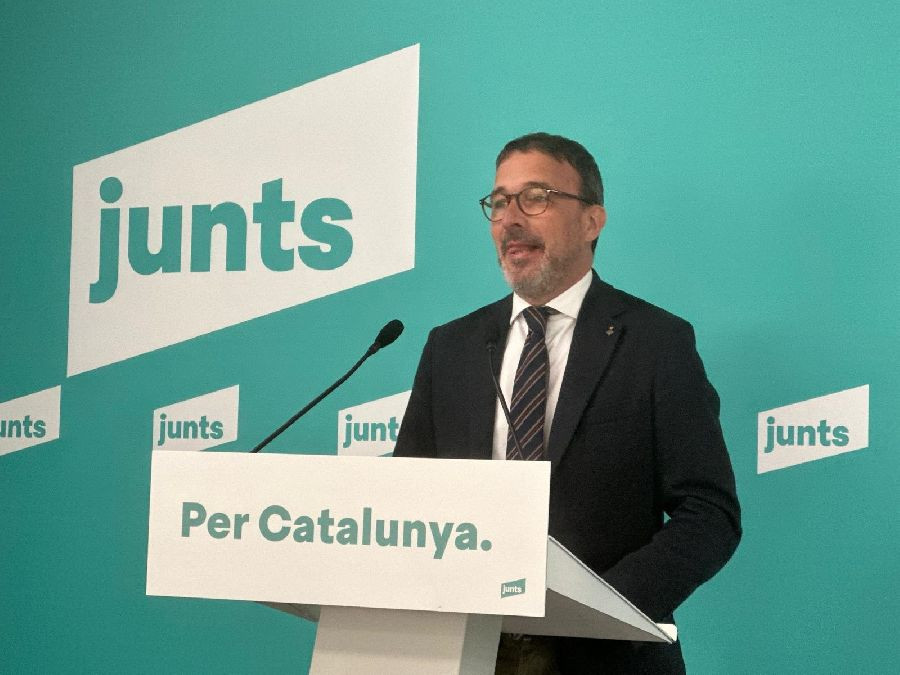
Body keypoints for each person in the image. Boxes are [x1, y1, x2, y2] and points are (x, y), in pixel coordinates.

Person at [394, 132, 741, 673]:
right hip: (464, 648)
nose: (510, 219)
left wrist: (604, 609)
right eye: (499, 202)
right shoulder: (452, 346)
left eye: (536, 198)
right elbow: (407, 498)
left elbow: (709, 513)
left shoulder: (655, 342)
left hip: (603, 655)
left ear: (591, 221)